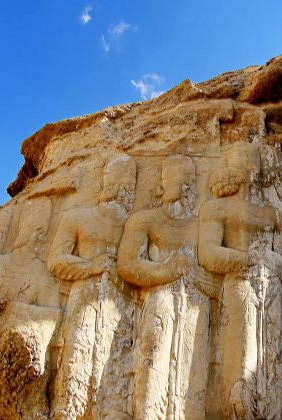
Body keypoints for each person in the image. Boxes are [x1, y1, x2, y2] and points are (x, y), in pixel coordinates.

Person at [198, 142, 282, 419]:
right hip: (239, 283)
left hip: (272, 286)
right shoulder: (216, 208)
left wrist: (270, 262)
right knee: (242, 357)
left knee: (273, 357)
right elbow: (208, 253)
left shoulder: (273, 213)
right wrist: (247, 258)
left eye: (253, 164)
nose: (249, 170)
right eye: (242, 163)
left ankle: (272, 412)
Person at [117, 154, 211, 420]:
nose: (187, 188)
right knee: (154, 357)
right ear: (164, 181)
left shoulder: (200, 223)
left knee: (194, 368)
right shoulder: (144, 220)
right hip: (160, 299)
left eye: (190, 181)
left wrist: (198, 277)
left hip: (195, 304)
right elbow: (127, 264)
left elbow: (211, 270)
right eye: (180, 180)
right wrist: (168, 270)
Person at [47, 154, 136, 419]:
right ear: (106, 181)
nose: (126, 187)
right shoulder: (77, 217)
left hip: (123, 307)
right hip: (84, 299)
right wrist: (89, 266)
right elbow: (55, 260)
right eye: (121, 179)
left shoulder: (132, 224)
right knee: (77, 365)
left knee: (114, 376)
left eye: (131, 180)